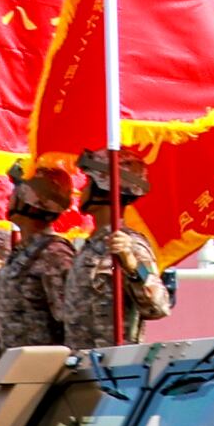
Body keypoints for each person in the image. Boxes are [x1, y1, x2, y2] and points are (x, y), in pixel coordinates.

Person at [0, 163, 84, 374]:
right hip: (21, 371)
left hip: (45, 375)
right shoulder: (24, 250)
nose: (9, 198)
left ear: (30, 200)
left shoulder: (54, 254)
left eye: (15, 191)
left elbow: (71, 320)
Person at [74, 148, 174, 347]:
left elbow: (160, 304)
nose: (81, 190)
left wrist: (132, 264)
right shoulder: (91, 247)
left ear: (103, 187)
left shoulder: (130, 244)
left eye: (88, 183)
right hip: (79, 369)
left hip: (111, 370)